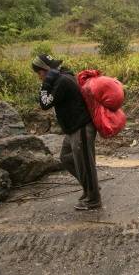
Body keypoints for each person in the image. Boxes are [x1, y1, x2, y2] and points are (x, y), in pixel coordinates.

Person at [31, 54, 101, 210]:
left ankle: (93, 199)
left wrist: (46, 84)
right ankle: (90, 187)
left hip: (81, 127)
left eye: (39, 73)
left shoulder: (62, 81)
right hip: (73, 129)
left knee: (85, 164)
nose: (39, 77)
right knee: (66, 158)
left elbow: (45, 103)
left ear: (45, 70)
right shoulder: (62, 77)